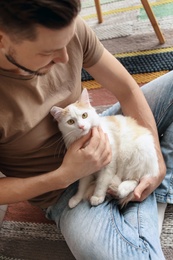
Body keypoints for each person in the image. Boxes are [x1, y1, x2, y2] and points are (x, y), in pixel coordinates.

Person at [0, 0, 171, 259]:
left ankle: (156, 176)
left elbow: (126, 88)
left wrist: (156, 160)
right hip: (63, 188)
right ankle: (151, 190)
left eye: (67, 42)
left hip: (106, 128)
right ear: (2, 40)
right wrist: (65, 175)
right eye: (50, 52)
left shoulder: (63, 27)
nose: (65, 58)